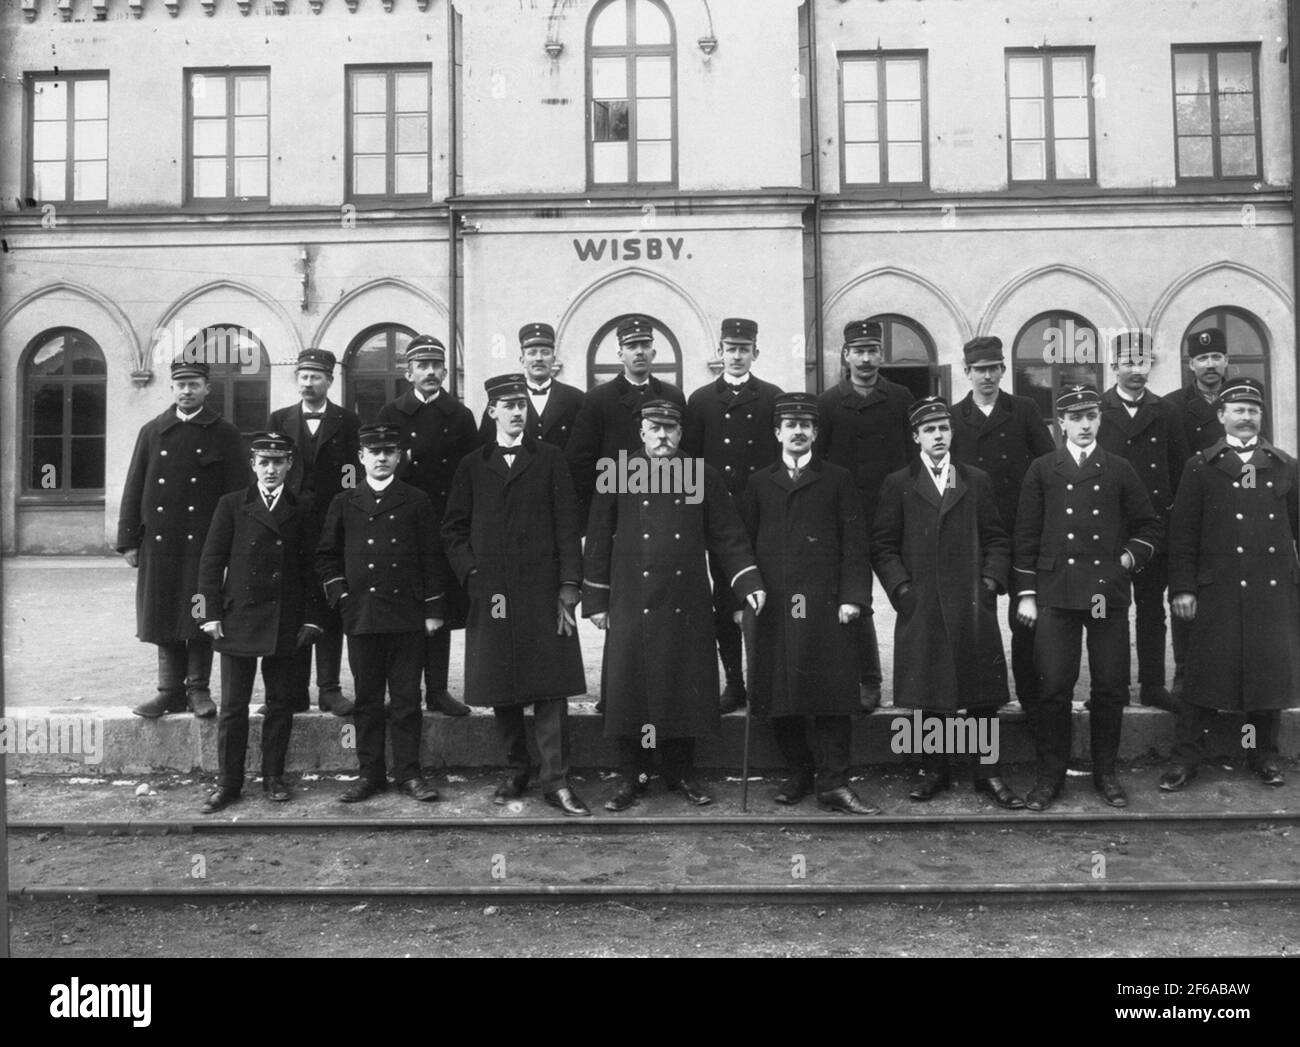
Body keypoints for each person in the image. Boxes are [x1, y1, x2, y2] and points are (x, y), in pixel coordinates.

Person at [583, 399, 764, 811]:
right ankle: (634, 777)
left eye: (670, 428)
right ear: (641, 431)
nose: (662, 436)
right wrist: (596, 598)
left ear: (681, 433)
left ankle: (682, 774)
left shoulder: (701, 475)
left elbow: (728, 536)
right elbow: (598, 538)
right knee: (633, 691)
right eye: (654, 427)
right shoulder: (618, 473)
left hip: (685, 601)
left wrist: (747, 582)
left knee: (683, 688)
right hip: (631, 600)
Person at [443, 374, 590, 816]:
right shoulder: (473, 464)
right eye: (506, 405)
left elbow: (568, 525)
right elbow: (452, 529)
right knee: (502, 686)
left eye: (521, 404)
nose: (515, 412)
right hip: (492, 594)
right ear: (491, 412)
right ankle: (516, 770)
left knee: (551, 688)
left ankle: (557, 781)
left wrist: (568, 586)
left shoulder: (549, 459)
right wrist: (472, 572)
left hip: (543, 592)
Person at [1013, 385, 1161, 811]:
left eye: (1091, 416)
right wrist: (1026, 593)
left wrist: (1125, 562)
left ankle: (1106, 774)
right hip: (1056, 594)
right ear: (1060, 423)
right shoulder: (1043, 469)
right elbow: (1026, 535)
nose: (1083, 425)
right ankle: (1049, 777)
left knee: (1110, 686)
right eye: (1075, 417)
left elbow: (1148, 527)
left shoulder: (1118, 468)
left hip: (1103, 594)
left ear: (1100, 419)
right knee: (1053, 687)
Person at [873, 396, 1022, 809]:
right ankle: (934, 770)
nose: (938, 436)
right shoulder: (898, 483)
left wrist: (990, 582)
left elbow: (996, 538)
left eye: (944, 428)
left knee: (980, 694)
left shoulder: (976, 479)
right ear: (916, 436)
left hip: (972, 602)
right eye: (929, 429)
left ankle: (986, 772)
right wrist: (903, 590)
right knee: (929, 690)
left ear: (952, 433)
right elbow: (883, 546)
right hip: (921, 602)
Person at [740, 392, 878, 814]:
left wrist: (854, 597)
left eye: (805, 424)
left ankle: (834, 782)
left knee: (832, 696)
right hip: (775, 605)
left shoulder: (837, 479)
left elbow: (856, 543)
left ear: (816, 432)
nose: (798, 431)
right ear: (777, 432)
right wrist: (746, 589)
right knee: (780, 694)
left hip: (827, 604)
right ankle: (800, 773)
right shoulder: (759, 482)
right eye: (790, 424)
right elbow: (741, 542)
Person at [1160, 378, 1297, 791]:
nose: (1246, 417)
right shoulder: (1200, 466)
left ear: (1262, 416)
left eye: (1253, 410)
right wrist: (1183, 588)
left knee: (1265, 675)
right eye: (1237, 409)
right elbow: (1182, 534)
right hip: (1216, 588)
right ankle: (1187, 758)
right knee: (1202, 676)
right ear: (1221, 417)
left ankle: (1261, 754)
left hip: (1270, 587)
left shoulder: (1284, 464)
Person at [316, 423, 448, 803]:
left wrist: (433, 608)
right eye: (374, 452)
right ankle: (369, 774)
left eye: (389, 452)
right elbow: (325, 555)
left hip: (406, 615)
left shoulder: (416, 499)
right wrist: (342, 595)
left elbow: (431, 557)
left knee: (407, 699)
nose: (381, 458)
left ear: (399, 456)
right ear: (361, 457)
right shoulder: (345, 502)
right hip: (362, 615)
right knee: (367, 701)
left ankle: (409, 774)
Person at [196, 433, 323, 813]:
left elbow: (314, 567)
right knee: (233, 708)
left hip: (286, 620)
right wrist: (208, 613)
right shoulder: (232, 505)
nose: (271, 469)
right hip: (237, 620)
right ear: (253, 465)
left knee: (280, 704)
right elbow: (210, 562)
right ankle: (228, 783)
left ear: (289, 466)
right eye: (264, 462)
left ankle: (273, 778)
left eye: (278, 462)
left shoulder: (303, 507)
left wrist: (314, 618)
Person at [116, 359, 248, 719]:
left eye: (194, 385)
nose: (187, 391)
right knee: (164, 615)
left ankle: (198, 690)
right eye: (180, 385)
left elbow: (239, 494)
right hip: (160, 544)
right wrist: (129, 540)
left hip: (204, 545)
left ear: (207, 388)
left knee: (200, 614)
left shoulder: (224, 433)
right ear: (172, 389)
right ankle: (168, 691)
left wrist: (237, 545)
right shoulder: (153, 431)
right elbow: (135, 486)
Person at [815, 318, 916, 711]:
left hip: (895, 518)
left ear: (881, 355)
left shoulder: (901, 398)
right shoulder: (827, 403)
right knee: (855, 600)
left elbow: (914, 458)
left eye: (872, 350)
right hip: (847, 520)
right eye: (858, 351)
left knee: (911, 594)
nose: (866, 358)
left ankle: (917, 682)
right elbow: (820, 463)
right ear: (846, 355)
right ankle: (867, 681)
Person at [949, 335, 1055, 711]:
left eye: (994, 368)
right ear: (967, 373)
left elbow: (1048, 465)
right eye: (980, 370)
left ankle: (1030, 697)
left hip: (1022, 528)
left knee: (1026, 616)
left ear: (1003, 370)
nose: (988, 376)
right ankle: (983, 696)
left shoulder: (1023, 409)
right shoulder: (953, 418)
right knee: (979, 614)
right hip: (975, 534)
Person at [683, 317, 782, 715]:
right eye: (730, 348)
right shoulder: (702, 400)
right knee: (724, 601)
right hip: (719, 517)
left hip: (763, 515)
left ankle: (764, 680)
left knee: (765, 595)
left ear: (755, 353)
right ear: (719, 352)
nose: (737, 356)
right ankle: (735, 683)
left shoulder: (772, 396)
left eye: (744, 349)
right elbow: (690, 461)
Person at [1163, 326, 1269, 697]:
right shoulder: (1172, 405)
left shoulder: (1243, 399)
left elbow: (1256, 452)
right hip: (1192, 508)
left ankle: (1230, 678)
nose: (1210, 365)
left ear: (1227, 361)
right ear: (1190, 364)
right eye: (1202, 358)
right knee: (1186, 592)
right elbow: (1172, 462)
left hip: (1236, 512)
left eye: (1216, 357)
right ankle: (1184, 673)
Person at [376, 335, 477, 717]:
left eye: (437, 365)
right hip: (401, 522)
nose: (431, 372)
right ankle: (403, 692)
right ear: (409, 372)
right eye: (423, 365)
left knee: (442, 606)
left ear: (445, 371)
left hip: (446, 523)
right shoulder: (391, 413)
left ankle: (437, 690)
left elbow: (470, 474)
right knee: (403, 605)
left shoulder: (460, 415)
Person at [1097, 331, 1190, 712]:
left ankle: (1152, 684)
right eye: (1129, 363)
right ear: (1114, 366)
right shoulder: (1098, 409)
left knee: (1152, 608)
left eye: (1144, 362)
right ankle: (1111, 687)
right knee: (1108, 609)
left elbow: (1181, 469)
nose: (1137, 370)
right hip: (1111, 527)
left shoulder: (1166, 411)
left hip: (1153, 525)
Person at [267, 347, 361, 717]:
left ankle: (329, 689)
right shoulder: (279, 419)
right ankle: (293, 691)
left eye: (316, 377)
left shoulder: (348, 421)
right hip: (291, 526)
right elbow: (272, 471)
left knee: (331, 603)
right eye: (303, 376)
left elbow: (354, 472)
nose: (308, 383)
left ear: (329, 381)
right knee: (294, 604)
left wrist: (346, 512)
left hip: (333, 526)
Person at [566, 314, 687, 528]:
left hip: (665, 502)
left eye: (645, 345)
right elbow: (580, 463)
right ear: (620, 354)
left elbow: (685, 455)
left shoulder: (672, 396)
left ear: (654, 352)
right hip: (617, 507)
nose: (639, 351)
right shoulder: (598, 398)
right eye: (632, 346)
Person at [476, 323, 583, 450]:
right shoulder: (502, 398)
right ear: (522, 360)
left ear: (553, 359)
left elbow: (581, 448)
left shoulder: (575, 398)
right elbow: (485, 446)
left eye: (545, 353)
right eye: (532, 353)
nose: (539, 358)